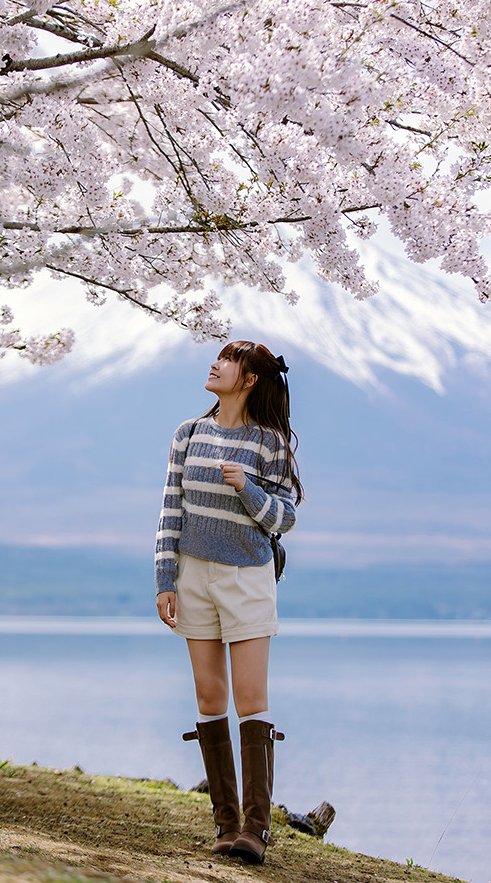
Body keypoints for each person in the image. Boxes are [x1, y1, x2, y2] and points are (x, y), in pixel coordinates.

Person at [155, 341, 300, 865]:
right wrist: (164, 577)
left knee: (250, 696)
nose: (215, 364)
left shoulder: (270, 443)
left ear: (250, 379)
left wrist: (248, 491)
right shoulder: (188, 434)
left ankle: (257, 830)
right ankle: (225, 824)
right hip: (193, 573)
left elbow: (285, 519)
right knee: (209, 696)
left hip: (247, 578)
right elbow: (172, 506)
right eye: (217, 356)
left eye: (228, 360)